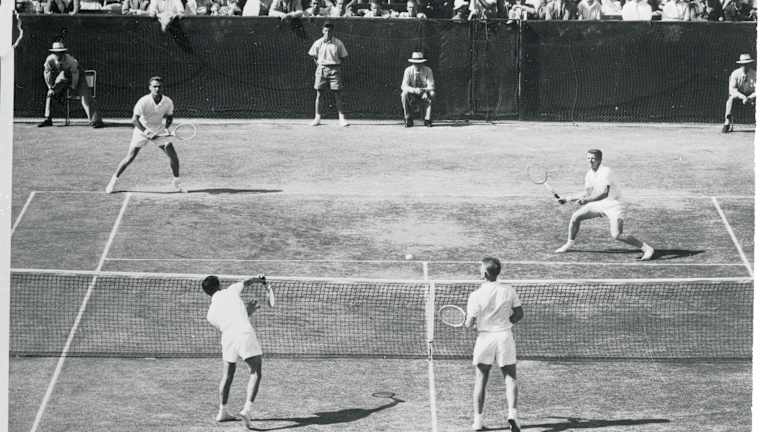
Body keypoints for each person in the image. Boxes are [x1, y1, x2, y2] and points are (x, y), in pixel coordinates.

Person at [555, 149, 655, 261]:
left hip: (614, 205)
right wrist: (567, 198)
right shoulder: (589, 174)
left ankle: (647, 249)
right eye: (588, 158)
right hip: (600, 204)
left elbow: (604, 194)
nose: (590, 161)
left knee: (617, 235)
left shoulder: (606, 172)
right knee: (575, 217)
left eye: (593, 158)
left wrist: (586, 201)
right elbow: (588, 193)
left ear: (600, 160)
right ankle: (569, 244)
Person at [465, 257, 524, 432]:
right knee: (510, 377)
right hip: (504, 336)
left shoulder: (476, 295)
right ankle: (512, 415)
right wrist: (508, 323)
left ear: (484, 273)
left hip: (485, 339)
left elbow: (469, 322)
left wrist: (469, 323)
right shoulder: (508, 290)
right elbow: (519, 313)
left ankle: (477, 421)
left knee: (481, 379)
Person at [202, 274, 267, 430]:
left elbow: (229, 322)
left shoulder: (210, 315)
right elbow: (247, 282)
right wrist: (259, 279)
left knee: (228, 374)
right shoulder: (231, 290)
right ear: (219, 285)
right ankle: (247, 410)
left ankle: (222, 412)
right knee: (256, 371)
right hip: (244, 334)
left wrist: (246, 312)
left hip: (227, 339)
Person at [105, 76, 186, 193]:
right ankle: (112, 182)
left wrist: (166, 129)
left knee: (173, 156)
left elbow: (169, 117)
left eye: (159, 86)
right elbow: (134, 120)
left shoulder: (168, 102)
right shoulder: (143, 101)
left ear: (163, 88)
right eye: (154, 86)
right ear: (150, 88)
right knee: (130, 157)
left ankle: (176, 183)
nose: (157, 89)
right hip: (141, 129)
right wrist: (147, 132)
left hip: (158, 129)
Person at [37, 41, 104, 128]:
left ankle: (96, 121)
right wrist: (50, 87)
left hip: (78, 77)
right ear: (53, 53)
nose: (58, 55)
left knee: (86, 99)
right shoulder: (49, 60)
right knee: (50, 93)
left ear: (63, 53)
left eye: (60, 53)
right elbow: (47, 73)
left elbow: (75, 74)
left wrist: (73, 87)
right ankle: (48, 119)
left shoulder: (71, 60)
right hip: (64, 76)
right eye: (56, 53)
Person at [308, 23, 350, 127]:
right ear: (322, 31)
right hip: (321, 69)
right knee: (319, 94)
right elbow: (314, 56)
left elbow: (343, 57)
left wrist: (336, 66)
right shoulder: (318, 43)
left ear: (333, 31)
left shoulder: (338, 43)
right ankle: (317, 118)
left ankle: (342, 119)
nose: (327, 33)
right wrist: (320, 65)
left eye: (330, 31)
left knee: (337, 94)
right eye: (325, 31)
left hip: (335, 69)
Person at [722, 53, 756, 133]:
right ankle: (727, 122)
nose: (745, 66)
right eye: (743, 64)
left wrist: (750, 97)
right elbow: (732, 90)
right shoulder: (735, 74)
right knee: (730, 100)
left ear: (750, 64)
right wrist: (743, 97)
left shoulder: (755, 74)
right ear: (740, 65)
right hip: (739, 97)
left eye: (747, 64)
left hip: (752, 97)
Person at [400, 51, 435, 128]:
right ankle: (408, 118)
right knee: (404, 94)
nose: (417, 65)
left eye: (419, 63)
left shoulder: (428, 70)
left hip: (424, 94)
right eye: (415, 63)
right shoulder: (408, 70)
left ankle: (427, 119)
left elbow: (431, 86)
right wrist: (414, 90)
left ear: (422, 63)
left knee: (432, 93)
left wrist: (423, 91)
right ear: (412, 63)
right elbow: (403, 86)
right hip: (412, 94)